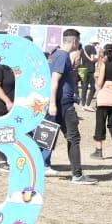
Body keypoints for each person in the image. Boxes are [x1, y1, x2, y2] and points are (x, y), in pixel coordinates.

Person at [44, 29, 97, 184]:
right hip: (63, 105)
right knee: (73, 138)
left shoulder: (55, 55)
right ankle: (77, 175)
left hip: (59, 103)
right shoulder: (62, 55)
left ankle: (44, 166)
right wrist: (53, 104)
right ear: (74, 41)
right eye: (79, 42)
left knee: (49, 136)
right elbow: (54, 80)